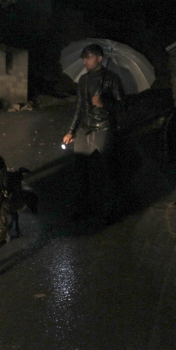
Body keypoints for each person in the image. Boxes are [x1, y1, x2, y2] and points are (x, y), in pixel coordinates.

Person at [62, 43, 125, 222]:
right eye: (83, 58)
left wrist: (105, 102)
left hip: (104, 126)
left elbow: (122, 106)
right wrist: (71, 131)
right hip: (85, 128)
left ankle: (110, 208)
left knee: (106, 170)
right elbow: (79, 108)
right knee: (80, 169)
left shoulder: (112, 79)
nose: (85, 62)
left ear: (99, 58)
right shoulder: (83, 80)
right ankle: (82, 207)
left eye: (88, 57)